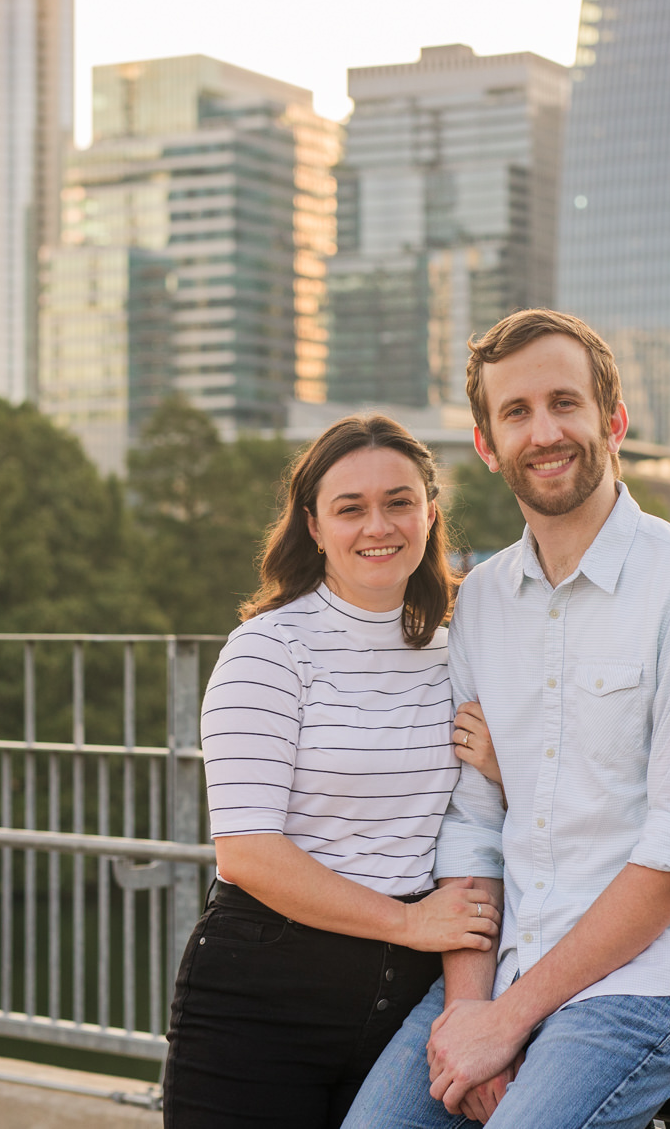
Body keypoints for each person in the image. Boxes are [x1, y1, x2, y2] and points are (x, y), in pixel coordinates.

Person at [343, 309, 670, 1129]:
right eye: (517, 412)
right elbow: (471, 828)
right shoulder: (484, 605)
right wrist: (471, 1012)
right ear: (486, 443)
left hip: (654, 980)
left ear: (613, 422)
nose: (545, 432)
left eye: (565, 403)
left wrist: (508, 1021)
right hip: (508, 966)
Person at [163, 414, 502, 1129]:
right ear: (314, 526)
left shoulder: (461, 652)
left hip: (404, 1007)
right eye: (350, 507)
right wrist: (409, 923)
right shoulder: (268, 650)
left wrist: (507, 767)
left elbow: (491, 816)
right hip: (260, 1003)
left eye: (399, 501)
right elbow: (248, 853)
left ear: (429, 514)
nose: (378, 525)